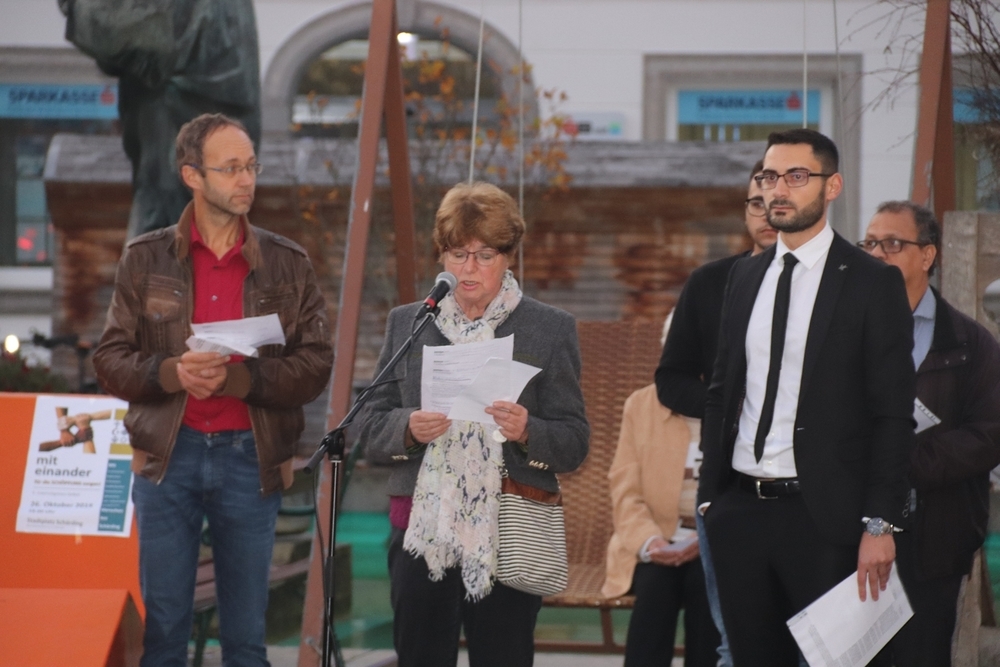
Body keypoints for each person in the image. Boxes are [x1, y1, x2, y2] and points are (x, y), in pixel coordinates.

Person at [93, 113, 333, 667]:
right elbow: (109, 361)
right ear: (192, 176)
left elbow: (315, 366)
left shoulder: (288, 263)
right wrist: (171, 372)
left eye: (251, 166)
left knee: (246, 640)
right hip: (167, 458)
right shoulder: (145, 258)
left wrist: (240, 379)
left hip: (251, 459)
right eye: (230, 169)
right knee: (164, 637)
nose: (246, 179)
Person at [698, 129, 916, 666]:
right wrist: (711, 499)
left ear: (832, 186)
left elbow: (893, 414)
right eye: (769, 176)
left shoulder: (871, 282)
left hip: (825, 519)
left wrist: (879, 524)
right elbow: (722, 389)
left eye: (796, 176)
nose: (778, 190)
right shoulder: (745, 275)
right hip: (739, 513)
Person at [360, 181, 590, 667]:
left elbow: (574, 442)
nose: (468, 268)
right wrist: (408, 428)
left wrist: (528, 430)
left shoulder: (549, 328)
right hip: (420, 529)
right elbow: (369, 425)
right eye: (458, 253)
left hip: (509, 528)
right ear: (442, 255)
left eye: (484, 255)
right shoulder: (410, 323)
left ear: (509, 257)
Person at [861, 201, 1000, 667]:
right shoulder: (843, 333)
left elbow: (989, 434)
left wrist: (899, 461)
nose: (876, 254)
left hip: (934, 538)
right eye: (870, 243)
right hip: (852, 534)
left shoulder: (970, 343)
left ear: (927, 255)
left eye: (892, 243)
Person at [654, 159, 775, 667]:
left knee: (810, 645)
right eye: (755, 203)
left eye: (776, 202)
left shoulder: (837, 284)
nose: (767, 213)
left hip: (813, 492)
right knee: (735, 644)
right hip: (725, 484)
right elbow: (670, 379)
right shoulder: (709, 283)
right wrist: (725, 407)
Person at [604, 316, 721, 667]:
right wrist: (650, 541)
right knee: (656, 590)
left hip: (717, 545)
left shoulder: (735, 405)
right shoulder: (641, 405)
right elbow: (625, 491)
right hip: (656, 542)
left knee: (707, 588)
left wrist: (707, 539)